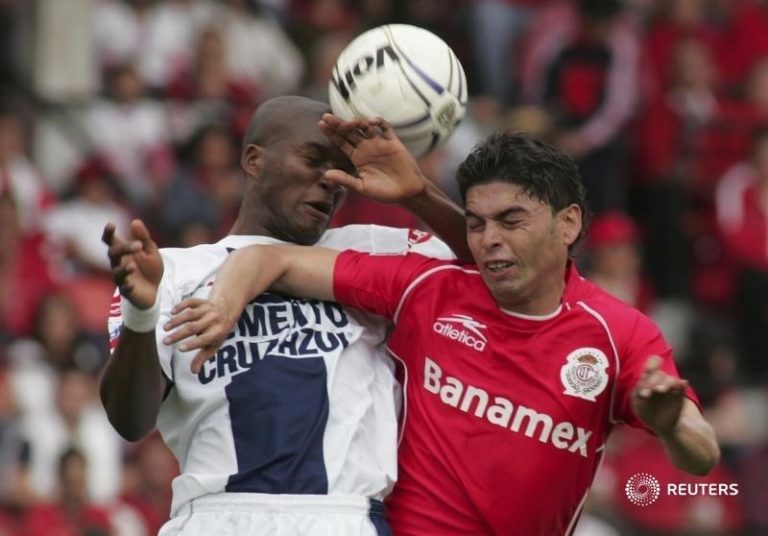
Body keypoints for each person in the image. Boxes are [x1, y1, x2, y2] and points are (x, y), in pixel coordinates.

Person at [165, 132, 721, 535]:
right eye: (475, 224)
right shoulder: (427, 288)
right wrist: (226, 301)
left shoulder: (618, 334)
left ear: (568, 223)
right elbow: (270, 259)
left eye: (512, 220)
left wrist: (670, 424)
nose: (488, 240)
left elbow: (703, 456)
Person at [100, 95, 469, 535]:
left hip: (343, 517)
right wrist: (143, 314)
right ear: (254, 160)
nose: (330, 181)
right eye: (313, 159)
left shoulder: (369, 251)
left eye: (341, 171)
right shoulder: (174, 271)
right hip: (219, 516)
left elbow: (494, 266)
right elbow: (131, 421)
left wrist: (419, 193)